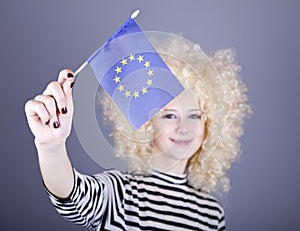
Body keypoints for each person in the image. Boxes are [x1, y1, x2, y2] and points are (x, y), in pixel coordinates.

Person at [25, 33, 251, 231]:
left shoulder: (211, 215)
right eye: (170, 115)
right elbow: (73, 196)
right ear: (147, 123)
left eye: (195, 115)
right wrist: (51, 147)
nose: (185, 127)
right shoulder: (120, 193)